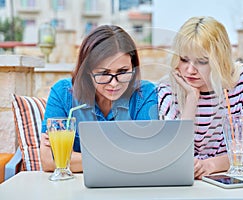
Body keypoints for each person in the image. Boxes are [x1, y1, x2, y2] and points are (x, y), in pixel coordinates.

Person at [158, 16, 243, 179]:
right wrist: (191, 99)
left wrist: (209, 165)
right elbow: (173, 158)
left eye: (202, 61)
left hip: (231, 180)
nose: (190, 70)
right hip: (186, 183)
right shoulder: (167, 89)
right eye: (184, 59)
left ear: (220, 59)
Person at [40, 25, 158, 172]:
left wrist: (75, 159)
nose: (114, 83)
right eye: (104, 73)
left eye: (122, 71)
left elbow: (147, 157)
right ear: (88, 71)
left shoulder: (145, 94)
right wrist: (123, 158)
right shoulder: (63, 93)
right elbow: (48, 161)